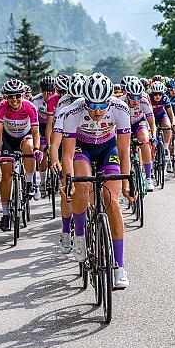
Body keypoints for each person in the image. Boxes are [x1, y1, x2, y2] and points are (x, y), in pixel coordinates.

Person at [61, 72, 133, 289]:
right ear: (85, 101)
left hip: (107, 147)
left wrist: (127, 182)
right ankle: (80, 237)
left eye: (102, 105)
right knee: (81, 185)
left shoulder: (120, 109)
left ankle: (119, 267)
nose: (97, 111)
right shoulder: (73, 111)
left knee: (112, 199)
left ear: (110, 100)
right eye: (92, 105)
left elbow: (124, 151)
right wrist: (68, 182)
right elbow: (67, 154)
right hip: (82, 148)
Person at [0, 79, 43, 231]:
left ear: (22, 95)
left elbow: (35, 132)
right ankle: (6, 214)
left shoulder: (30, 107)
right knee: (6, 175)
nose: (14, 100)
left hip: (24, 137)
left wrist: (37, 148)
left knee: (29, 146)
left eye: (18, 95)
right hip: (7, 140)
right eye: (11, 96)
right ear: (5, 96)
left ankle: (29, 182)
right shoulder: (0, 108)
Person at [48, 73, 86, 253]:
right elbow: (55, 141)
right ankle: (65, 230)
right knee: (67, 190)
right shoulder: (63, 106)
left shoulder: (91, 105)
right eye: (74, 99)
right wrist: (54, 159)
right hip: (67, 144)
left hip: (86, 144)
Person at [121, 77, 157, 191]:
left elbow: (152, 121)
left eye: (138, 96)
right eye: (133, 97)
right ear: (127, 94)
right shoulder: (121, 102)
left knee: (144, 141)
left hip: (139, 122)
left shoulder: (144, 101)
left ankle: (148, 178)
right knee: (122, 148)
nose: (136, 100)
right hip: (124, 124)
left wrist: (154, 136)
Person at [32, 76, 56, 199]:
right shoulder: (35, 101)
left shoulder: (59, 99)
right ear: (41, 90)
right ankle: (42, 181)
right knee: (43, 150)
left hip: (55, 125)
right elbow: (33, 122)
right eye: (45, 90)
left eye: (51, 90)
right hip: (41, 126)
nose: (48, 94)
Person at [148, 80, 175, 173]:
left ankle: (165, 147)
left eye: (160, 94)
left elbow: (170, 112)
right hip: (150, 116)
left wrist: (173, 123)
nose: (158, 96)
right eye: (156, 94)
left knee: (168, 127)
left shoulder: (165, 98)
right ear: (152, 93)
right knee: (150, 135)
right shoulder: (149, 98)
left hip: (161, 115)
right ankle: (151, 161)